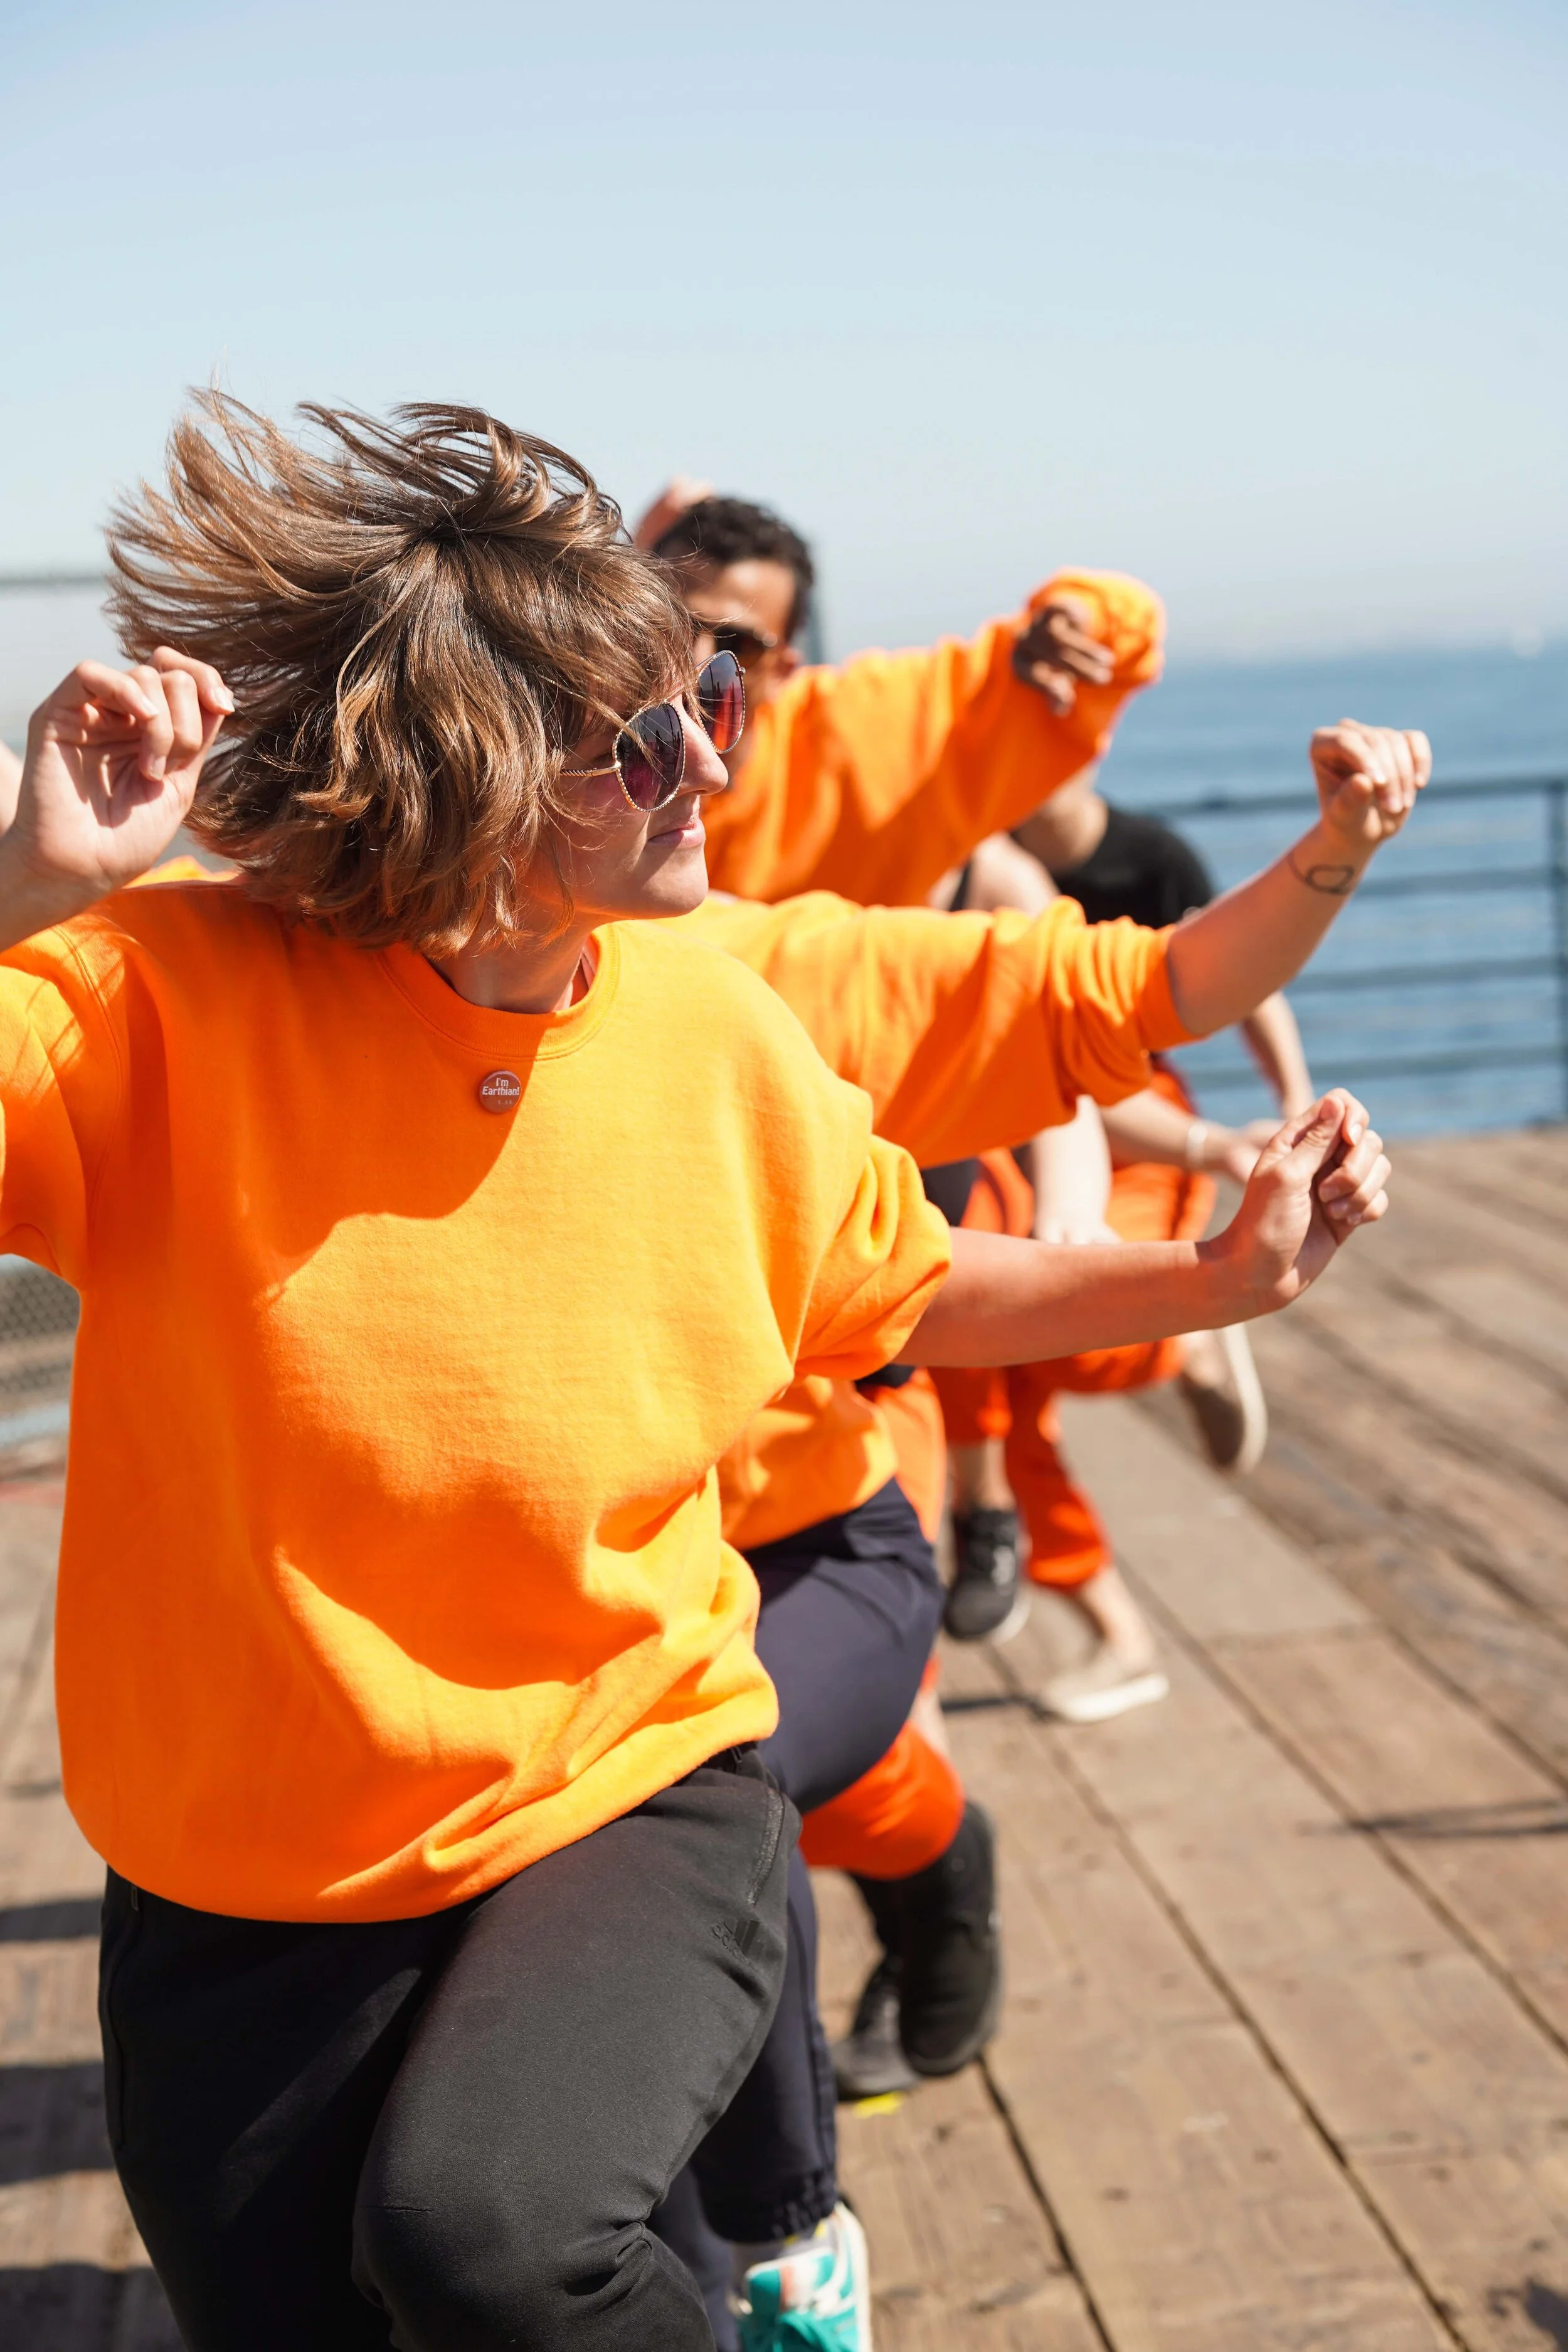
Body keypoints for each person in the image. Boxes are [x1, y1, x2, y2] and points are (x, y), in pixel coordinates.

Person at [3, 395, 1396, 2352]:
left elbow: (904, 1279)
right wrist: (26, 884)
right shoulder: (159, 1001)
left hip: (627, 1774)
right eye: (643, 743)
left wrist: (1215, 1270)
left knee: (489, 2239)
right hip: (243, 1866)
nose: (709, 769)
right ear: (466, 779)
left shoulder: (710, 1023)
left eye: (710, 709)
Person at [640, 489, 1165, 908]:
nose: (695, 658)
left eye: (739, 644)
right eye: (672, 625)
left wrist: (1079, 617)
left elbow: (1127, 626)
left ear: (783, 671)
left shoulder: (874, 728)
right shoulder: (595, 760)